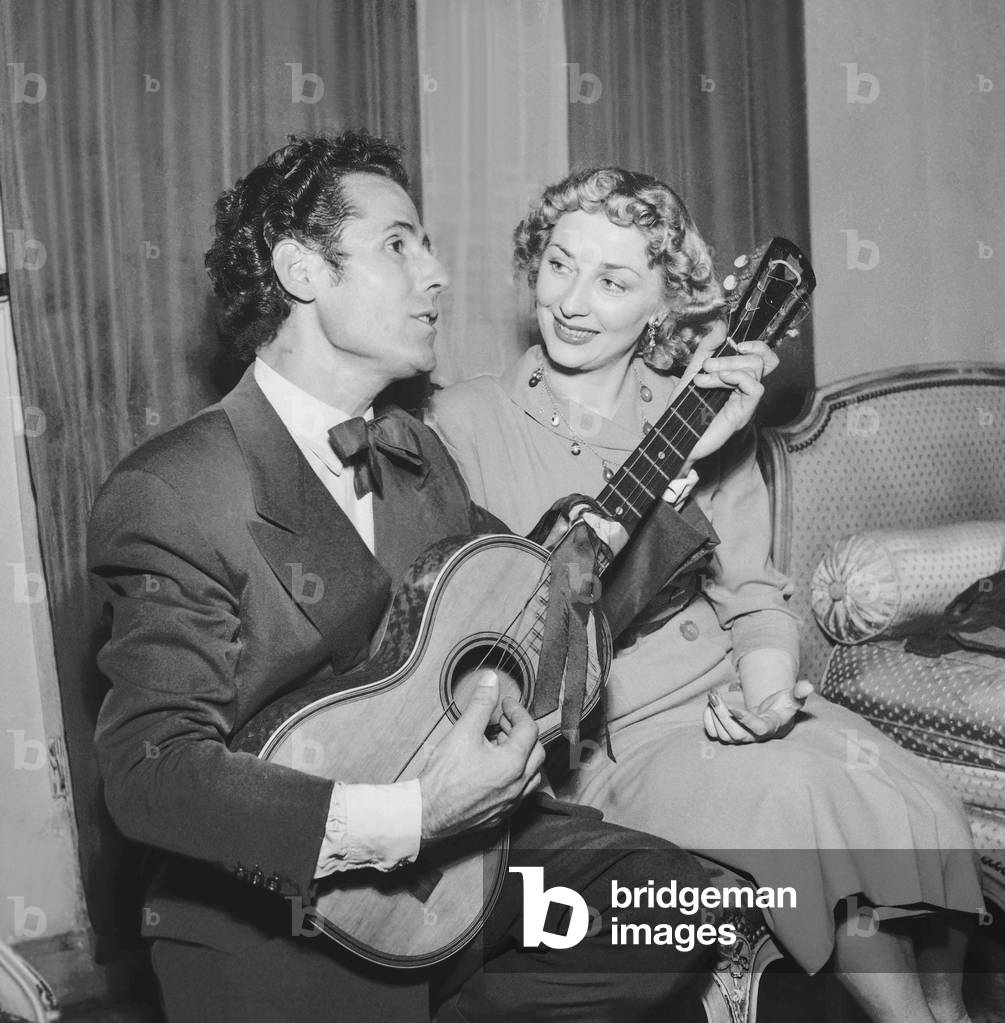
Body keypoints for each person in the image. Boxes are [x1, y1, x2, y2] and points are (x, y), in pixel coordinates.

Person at [87, 133, 770, 1023]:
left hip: (468, 866)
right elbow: (150, 772)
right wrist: (410, 815)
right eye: (399, 245)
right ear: (302, 270)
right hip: (282, 908)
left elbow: (547, 604)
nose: (437, 273)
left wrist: (685, 450)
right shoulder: (174, 489)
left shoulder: (416, 453)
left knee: (673, 910)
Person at [426, 166, 985, 1023]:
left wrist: (767, 695)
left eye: (612, 281)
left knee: (916, 798)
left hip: (726, 693)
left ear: (663, 304)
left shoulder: (701, 408)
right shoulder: (464, 421)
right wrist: (681, 460)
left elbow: (753, 595)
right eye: (558, 264)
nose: (571, 300)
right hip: (603, 734)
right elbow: (520, 618)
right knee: (799, 802)